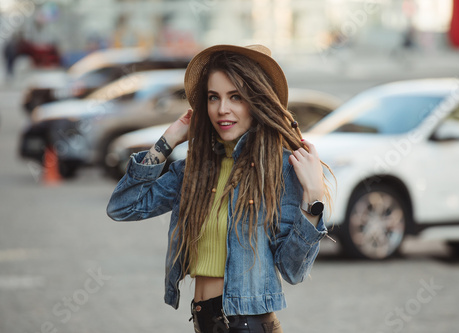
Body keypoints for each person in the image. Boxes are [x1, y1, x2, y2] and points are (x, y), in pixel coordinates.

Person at [107, 44, 334, 332]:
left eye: (236, 97)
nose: (222, 109)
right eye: (214, 97)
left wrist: (313, 201)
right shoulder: (195, 170)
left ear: (256, 101)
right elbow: (122, 207)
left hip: (248, 325)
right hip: (205, 323)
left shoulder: (280, 169)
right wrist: (169, 140)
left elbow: (293, 270)